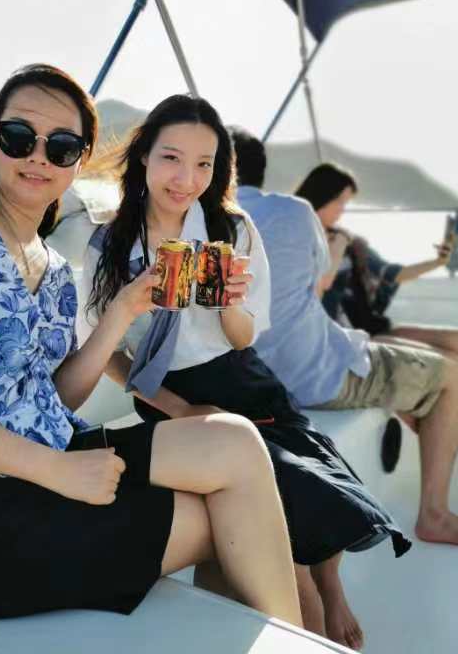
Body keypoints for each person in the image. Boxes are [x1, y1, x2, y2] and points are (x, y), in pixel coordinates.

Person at [0, 65, 302, 626]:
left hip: (42, 460)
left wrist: (121, 313)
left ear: (80, 158)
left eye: (62, 146)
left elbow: (56, 400)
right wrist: (55, 469)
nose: (38, 157)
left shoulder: (53, 271)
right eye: (19, 137)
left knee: (236, 441)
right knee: (217, 518)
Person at [83, 99, 410, 651]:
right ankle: (313, 606)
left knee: (313, 478)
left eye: (204, 164)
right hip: (168, 393)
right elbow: (105, 352)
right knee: (285, 531)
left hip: (241, 380)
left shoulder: (231, 228)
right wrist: (180, 409)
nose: (187, 179)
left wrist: (229, 304)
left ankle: (331, 587)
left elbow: (242, 338)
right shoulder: (110, 244)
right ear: (143, 157)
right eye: (171, 158)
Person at [229, 126, 458, 553]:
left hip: (260, 379)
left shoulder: (197, 224)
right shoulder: (295, 214)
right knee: (451, 377)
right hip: (317, 375)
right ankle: (434, 514)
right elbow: (315, 290)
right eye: (342, 202)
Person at [295, 162, 457, 353]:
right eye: (339, 201)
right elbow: (323, 282)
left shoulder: (351, 244)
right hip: (337, 340)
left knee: (453, 339)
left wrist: (438, 262)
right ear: (321, 196)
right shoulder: (293, 240)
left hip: (366, 327)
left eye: (345, 204)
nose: (342, 210)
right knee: (438, 358)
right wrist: (338, 244)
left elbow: (394, 274)